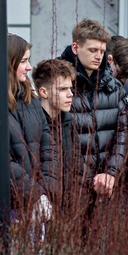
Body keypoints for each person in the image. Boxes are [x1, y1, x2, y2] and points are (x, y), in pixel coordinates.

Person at [0, 34, 55, 220]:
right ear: (7, 63)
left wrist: (46, 189)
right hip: (2, 206)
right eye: (23, 61)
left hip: (36, 202)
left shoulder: (29, 96)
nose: (29, 67)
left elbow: (48, 144)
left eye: (28, 60)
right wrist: (35, 194)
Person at [58, 18, 128, 199]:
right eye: (92, 50)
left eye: (102, 51)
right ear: (75, 48)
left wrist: (110, 173)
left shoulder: (113, 87)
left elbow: (122, 134)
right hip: (70, 186)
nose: (99, 56)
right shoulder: (59, 83)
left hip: (106, 186)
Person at [32, 58, 84, 213]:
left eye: (70, 88)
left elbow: (75, 168)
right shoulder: (33, 125)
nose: (70, 94)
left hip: (68, 211)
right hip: (41, 209)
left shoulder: (68, 122)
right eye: (62, 89)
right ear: (44, 92)